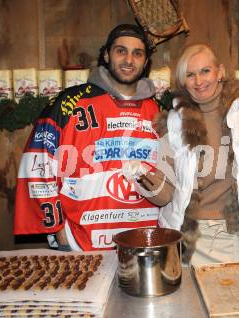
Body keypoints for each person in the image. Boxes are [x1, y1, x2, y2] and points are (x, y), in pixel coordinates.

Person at [14, 24, 172, 251]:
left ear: (145, 62)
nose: (129, 60)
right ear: (107, 54)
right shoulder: (70, 102)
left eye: (137, 53)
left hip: (144, 243)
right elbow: (37, 166)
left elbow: (172, 177)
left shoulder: (158, 111)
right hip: (81, 244)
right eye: (121, 51)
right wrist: (59, 231)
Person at [154, 44, 239, 265]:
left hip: (236, 234)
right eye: (190, 75)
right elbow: (165, 188)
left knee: (238, 298)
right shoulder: (174, 121)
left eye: (205, 71)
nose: (199, 81)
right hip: (189, 236)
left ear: (220, 71)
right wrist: (141, 178)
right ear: (183, 81)